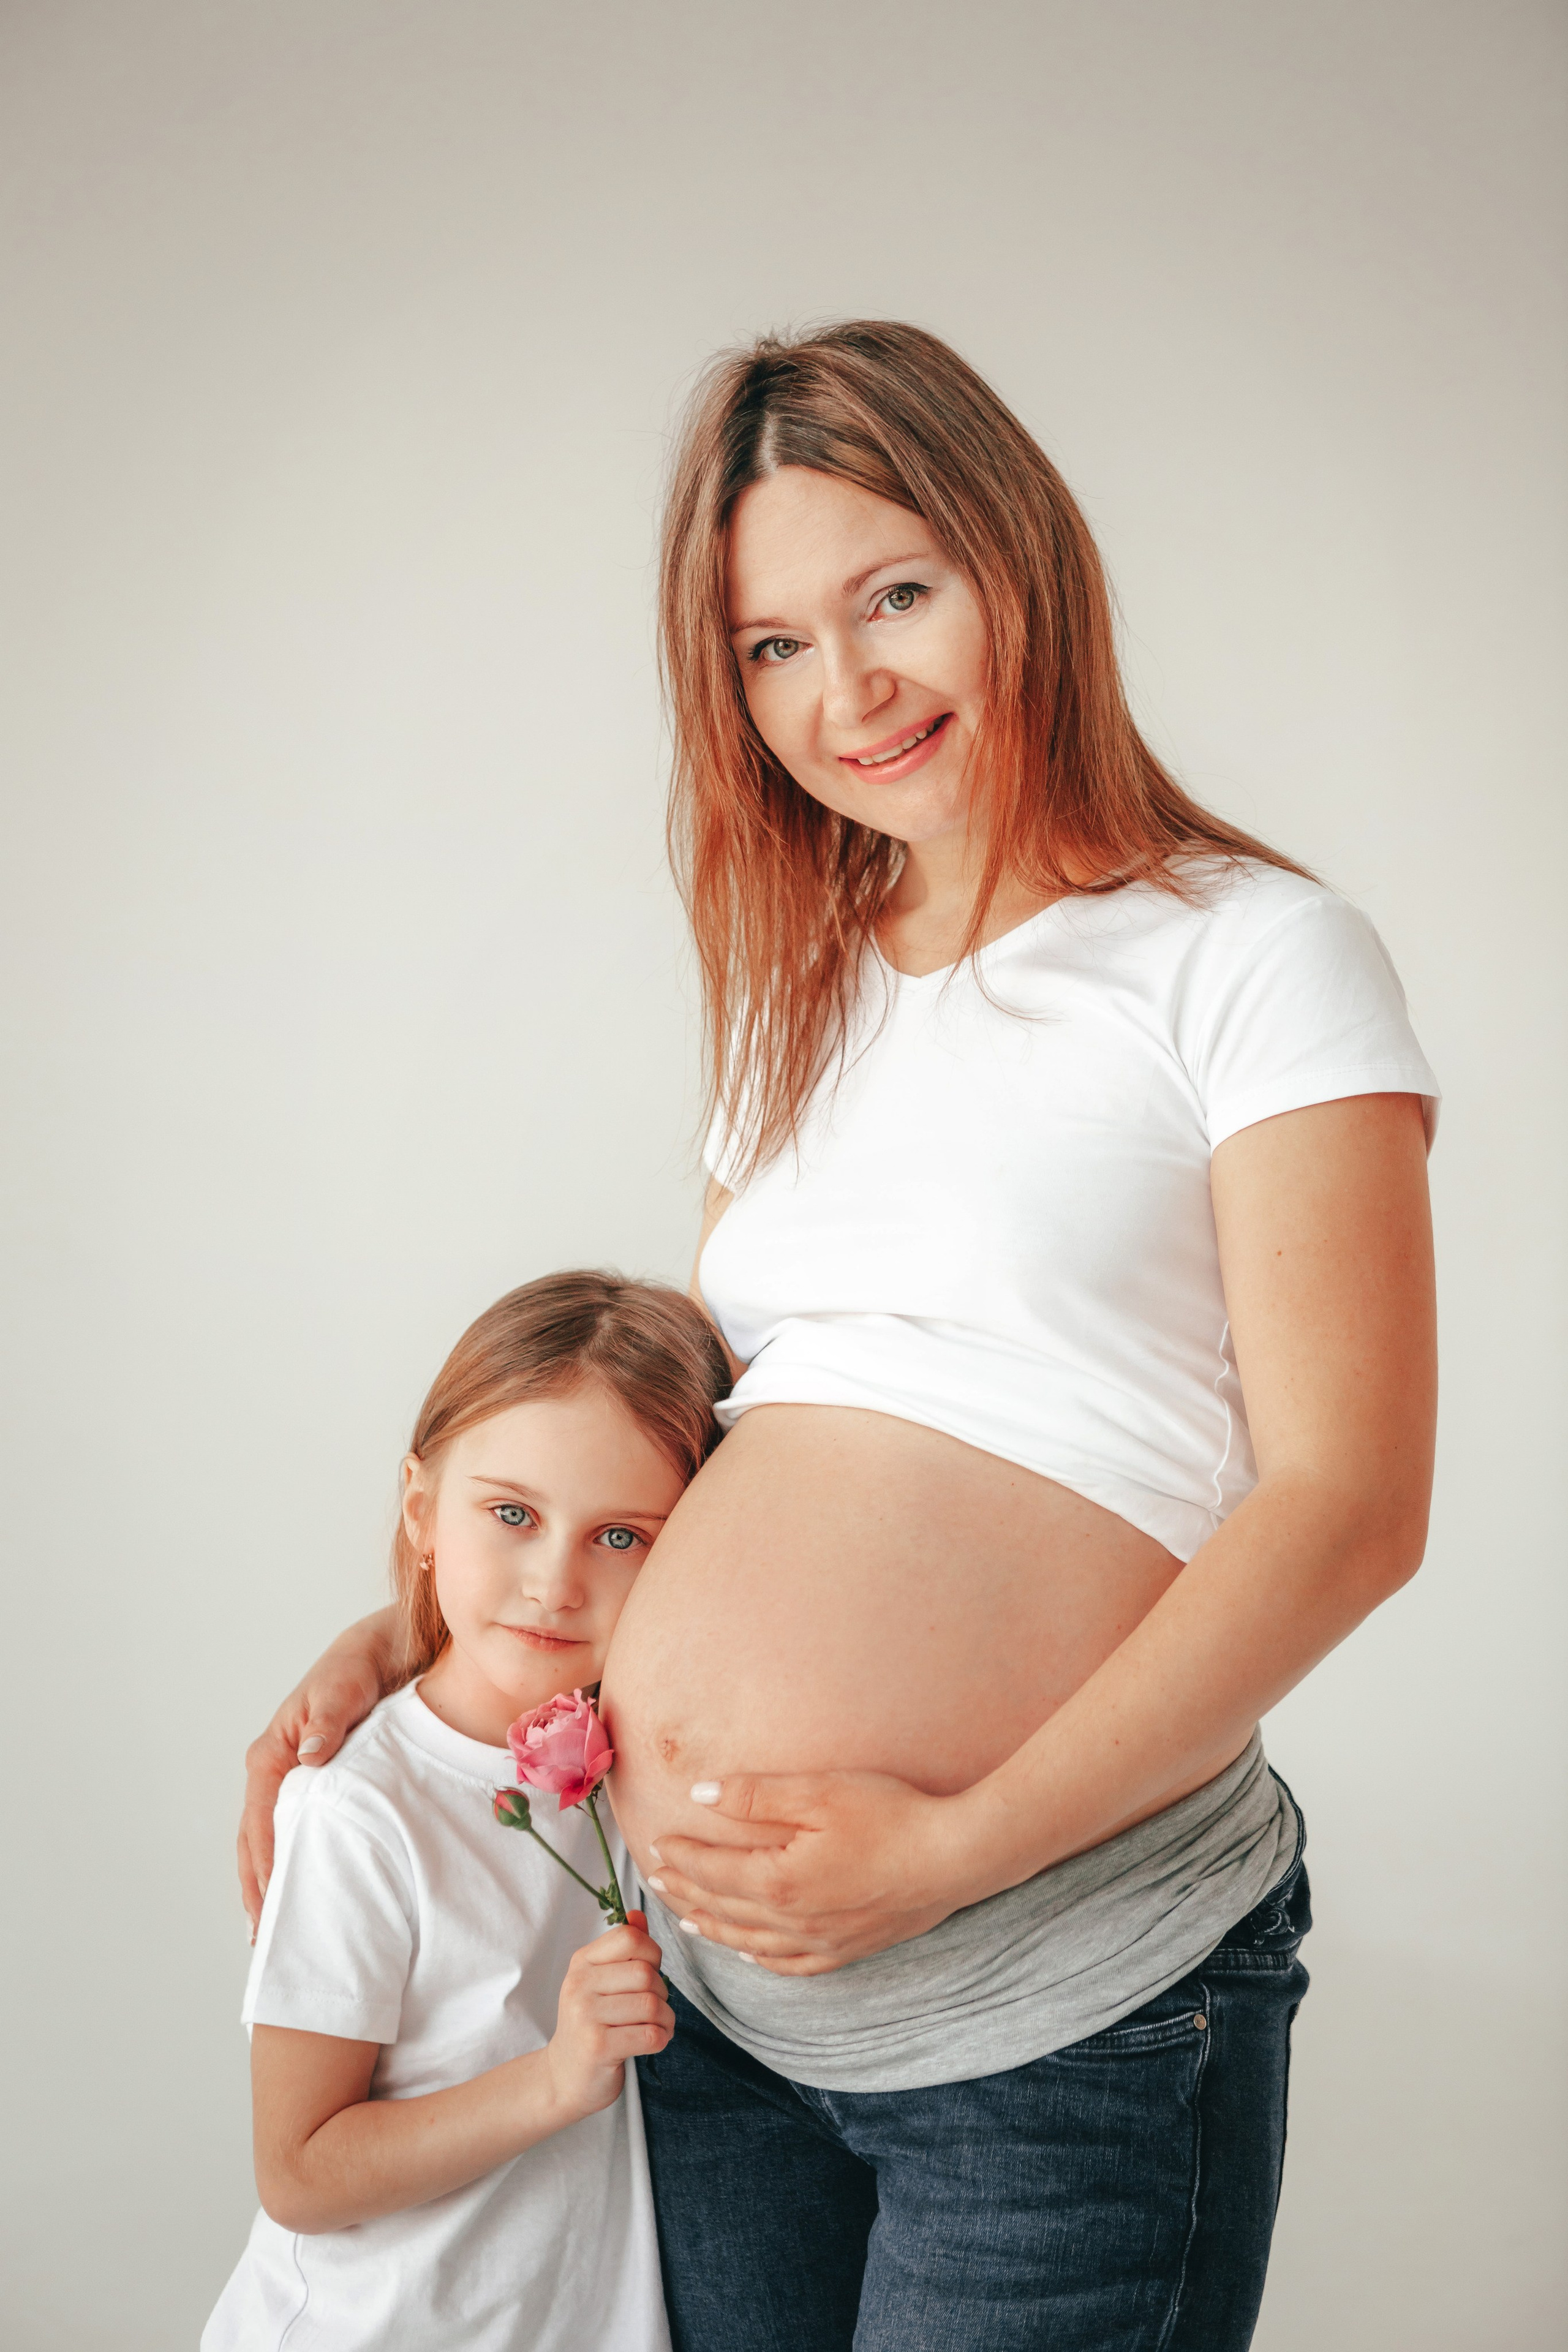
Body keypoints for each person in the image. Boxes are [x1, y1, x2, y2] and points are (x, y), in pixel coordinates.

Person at [239, 323, 1441, 2352]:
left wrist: (954, 1845)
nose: (850, 689)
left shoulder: (1251, 953)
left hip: (1053, 2012)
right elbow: (699, 1447)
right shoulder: (807, 989)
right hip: (714, 2021)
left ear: (1019, 559)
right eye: (773, 645)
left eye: (895, 593)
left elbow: (1347, 1508)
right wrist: (420, 1639)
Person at [208, 1271, 730, 2352]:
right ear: (422, 1515)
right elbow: (299, 2170)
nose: (554, 1580)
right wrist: (554, 2079)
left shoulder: (631, 1765)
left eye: (621, 1537)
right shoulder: (359, 1813)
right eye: (512, 1514)